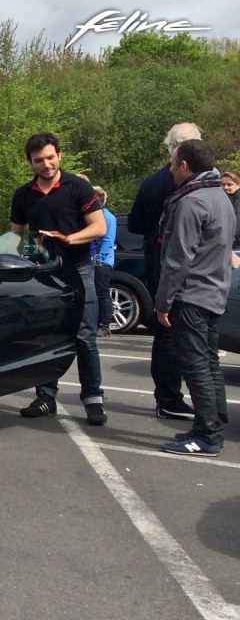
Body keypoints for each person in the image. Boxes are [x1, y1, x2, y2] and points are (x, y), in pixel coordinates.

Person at [10, 132, 108, 425]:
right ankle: (45, 398)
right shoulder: (23, 194)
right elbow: (14, 235)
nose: (46, 164)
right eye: (39, 160)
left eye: (50, 157)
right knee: (47, 337)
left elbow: (99, 227)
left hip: (79, 272)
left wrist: (68, 239)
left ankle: (93, 401)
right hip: (43, 276)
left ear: (59, 156)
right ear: (30, 163)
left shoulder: (78, 187)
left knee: (85, 337)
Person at [156, 140, 235, 457]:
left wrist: (163, 303)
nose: (171, 169)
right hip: (215, 292)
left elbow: (178, 259)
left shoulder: (192, 202)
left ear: (185, 165)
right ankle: (213, 425)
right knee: (210, 364)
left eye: (173, 163)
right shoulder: (221, 197)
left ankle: (208, 436)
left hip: (192, 297)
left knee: (196, 367)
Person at [127, 122, 203, 421]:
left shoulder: (152, 182)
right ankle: (170, 398)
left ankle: (169, 396)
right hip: (181, 266)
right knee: (173, 331)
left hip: (157, 261)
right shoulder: (189, 184)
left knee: (165, 331)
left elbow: (134, 224)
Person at [93, 186, 117, 337]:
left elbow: (107, 241)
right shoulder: (96, 216)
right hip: (95, 259)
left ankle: (104, 324)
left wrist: (99, 260)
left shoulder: (107, 217)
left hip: (102, 262)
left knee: (102, 293)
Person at [222, 170, 240, 248]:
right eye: (223, 184)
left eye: (229, 185)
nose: (226, 187)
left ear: (238, 185)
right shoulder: (219, 199)